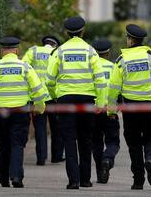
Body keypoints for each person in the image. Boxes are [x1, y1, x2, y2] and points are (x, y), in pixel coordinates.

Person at [0, 36, 49, 188]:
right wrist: (39, 107)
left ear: (2, 51)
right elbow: (38, 90)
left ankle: (3, 177)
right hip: (20, 112)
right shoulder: (26, 67)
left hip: (0, 113)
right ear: (17, 50)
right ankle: (16, 177)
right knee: (17, 144)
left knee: (4, 144)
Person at [45, 16, 107, 189]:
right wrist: (100, 103)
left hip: (65, 100)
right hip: (87, 101)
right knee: (86, 140)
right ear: (83, 30)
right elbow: (100, 80)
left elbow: (49, 80)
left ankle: (73, 181)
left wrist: (55, 98)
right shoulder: (90, 51)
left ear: (66, 32)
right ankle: (86, 179)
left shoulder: (60, 52)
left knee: (69, 140)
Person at [107, 24, 151, 190]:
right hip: (149, 107)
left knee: (134, 143)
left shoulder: (122, 60)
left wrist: (111, 110)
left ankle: (138, 181)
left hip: (130, 109)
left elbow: (113, 87)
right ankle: (150, 159)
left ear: (129, 39)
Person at [22, 35, 65, 165]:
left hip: (37, 97)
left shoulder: (33, 51)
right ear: (55, 45)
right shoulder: (57, 53)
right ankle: (56, 156)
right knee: (57, 127)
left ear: (44, 43)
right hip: (53, 96)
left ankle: (41, 158)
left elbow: (23, 67)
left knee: (40, 128)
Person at [91, 38, 120, 184]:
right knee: (113, 141)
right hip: (110, 111)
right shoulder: (114, 67)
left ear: (95, 53)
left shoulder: (90, 68)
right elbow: (118, 88)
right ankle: (107, 160)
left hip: (94, 111)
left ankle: (99, 175)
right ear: (108, 53)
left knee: (96, 143)